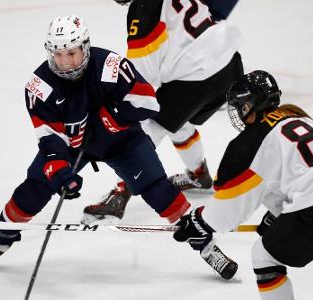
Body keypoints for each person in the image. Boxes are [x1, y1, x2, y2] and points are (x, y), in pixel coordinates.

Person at [0, 15, 192, 270]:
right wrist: (61, 172)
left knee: (157, 188)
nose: (65, 62)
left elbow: (148, 102)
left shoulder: (109, 65)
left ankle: (204, 243)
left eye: (71, 53)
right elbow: (50, 139)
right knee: (34, 188)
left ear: (85, 47)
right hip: (73, 147)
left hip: (122, 142)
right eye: (58, 54)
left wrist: (110, 118)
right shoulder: (40, 85)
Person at [172, 70, 313, 299]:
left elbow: (231, 207)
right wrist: (279, 215)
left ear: (248, 105)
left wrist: (201, 221)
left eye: (240, 106)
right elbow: (305, 173)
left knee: (264, 257)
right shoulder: (302, 119)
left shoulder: (252, 140)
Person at [82, 0, 244, 225]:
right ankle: (199, 176)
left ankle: (119, 196)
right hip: (228, 64)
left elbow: (141, 81)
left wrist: (109, 111)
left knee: (147, 127)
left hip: (198, 74)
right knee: (180, 122)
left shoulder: (143, 10)